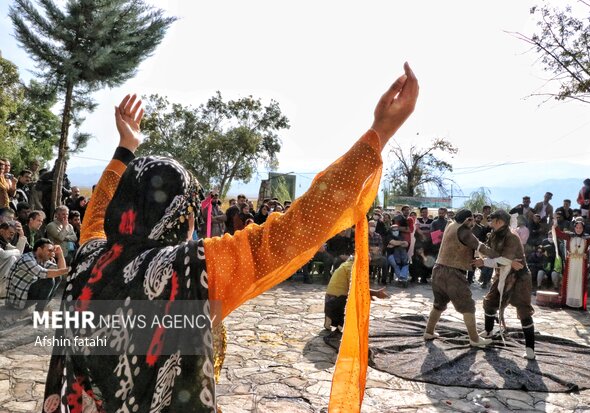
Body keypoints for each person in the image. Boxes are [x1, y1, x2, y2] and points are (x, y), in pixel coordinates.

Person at [43, 62, 419, 412]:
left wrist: (125, 149)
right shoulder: (190, 270)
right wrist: (379, 134)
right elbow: (297, 226)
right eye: (189, 208)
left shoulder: (91, 256)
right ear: (178, 214)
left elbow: (98, 209)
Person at [424, 209, 501, 348]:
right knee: (468, 306)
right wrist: (499, 256)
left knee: (439, 304)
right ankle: (475, 339)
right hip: (452, 272)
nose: (473, 222)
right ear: (466, 220)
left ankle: (429, 332)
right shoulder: (464, 231)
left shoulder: (450, 225)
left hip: (438, 270)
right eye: (471, 219)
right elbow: (480, 247)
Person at [475, 210, 534, 359]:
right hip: (502, 275)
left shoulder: (512, 237)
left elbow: (505, 260)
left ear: (500, 221)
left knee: (524, 311)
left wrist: (485, 262)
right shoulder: (494, 234)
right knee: (489, 303)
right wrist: (475, 245)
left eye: (492, 219)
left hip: (519, 278)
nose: (489, 221)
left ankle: (530, 349)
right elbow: (493, 253)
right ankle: (489, 331)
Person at [553, 219, 590, 310]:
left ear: (583, 228)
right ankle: (568, 302)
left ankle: (578, 303)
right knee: (570, 281)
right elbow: (559, 233)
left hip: (581, 265)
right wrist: (555, 225)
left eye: (580, 228)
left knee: (579, 283)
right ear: (574, 228)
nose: (578, 229)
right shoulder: (569, 236)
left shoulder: (587, 238)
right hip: (571, 264)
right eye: (577, 227)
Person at [324, 256, 388, 332]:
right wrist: (376, 293)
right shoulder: (352, 268)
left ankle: (330, 318)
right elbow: (356, 287)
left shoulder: (345, 265)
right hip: (337, 301)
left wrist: (368, 294)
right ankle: (341, 324)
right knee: (356, 303)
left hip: (330, 300)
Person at [5, 238, 68, 311]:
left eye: (52, 251)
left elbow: (61, 270)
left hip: (26, 296)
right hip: (16, 301)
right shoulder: (26, 259)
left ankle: (41, 308)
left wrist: (60, 254)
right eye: (49, 250)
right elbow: (43, 272)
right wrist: (69, 269)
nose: (51, 253)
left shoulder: (42, 259)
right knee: (49, 280)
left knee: (57, 277)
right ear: (39, 249)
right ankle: (38, 313)